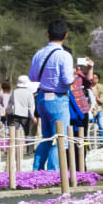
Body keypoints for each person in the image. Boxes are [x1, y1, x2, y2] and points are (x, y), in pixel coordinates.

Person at [28, 20, 77, 174]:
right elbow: (67, 80)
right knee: (60, 138)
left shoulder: (39, 53)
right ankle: (54, 173)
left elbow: (32, 77)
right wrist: (75, 74)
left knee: (48, 137)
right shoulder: (64, 55)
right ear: (66, 35)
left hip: (42, 97)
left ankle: (37, 170)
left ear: (48, 35)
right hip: (58, 98)